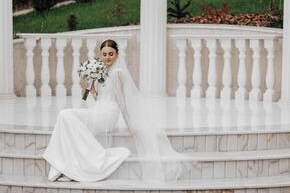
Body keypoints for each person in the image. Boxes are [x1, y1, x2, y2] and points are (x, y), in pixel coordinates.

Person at [43, 39, 189, 183]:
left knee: (66, 115)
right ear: (100, 55)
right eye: (104, 54)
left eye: (111, 54)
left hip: (108, 115)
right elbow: (94, 98)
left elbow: (121, 101)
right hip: (98, 110)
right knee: (66, 118)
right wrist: (90, 87)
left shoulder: (117, 73)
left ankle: (93, 157)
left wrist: (130, 125)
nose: (107, 57)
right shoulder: (100, 72)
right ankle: (68, 166)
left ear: (117, 55)